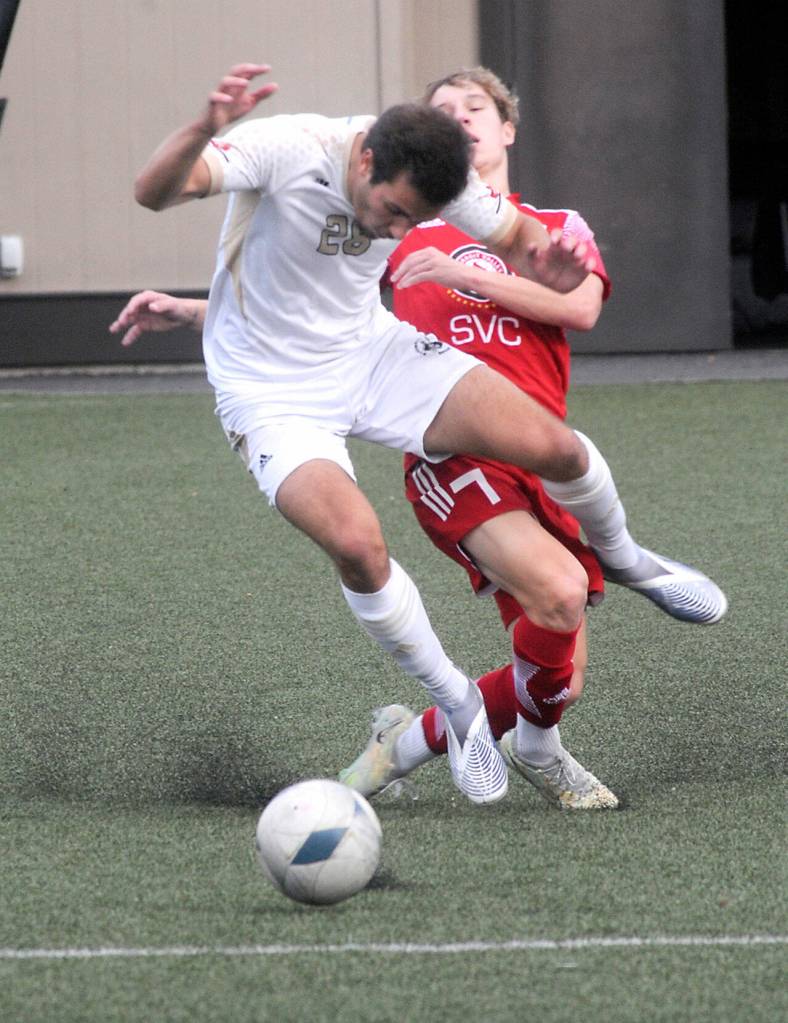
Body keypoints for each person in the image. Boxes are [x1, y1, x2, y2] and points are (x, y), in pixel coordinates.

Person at [112, 62, 725, 808]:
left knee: (557, 445)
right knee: (358, 544)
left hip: (372, 354)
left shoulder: (441, 186)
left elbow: (524, 237)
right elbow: (152, 192)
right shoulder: (288, 147)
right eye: (395, 211)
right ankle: (458, 703)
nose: (401, 233)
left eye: (416, 219)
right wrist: (205, 128)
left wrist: (549, 260)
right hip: (271, 393)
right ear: (365, 157)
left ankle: (628, 559)